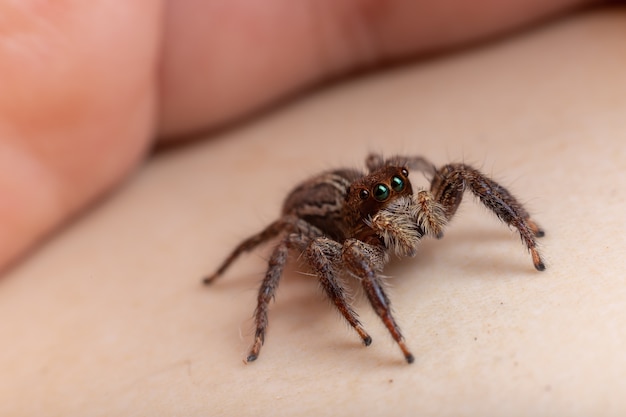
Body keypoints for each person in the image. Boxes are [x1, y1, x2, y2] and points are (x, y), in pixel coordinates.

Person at [0, 0, 597, 271]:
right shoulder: (352, 240)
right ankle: (377, 326)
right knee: (290, 241)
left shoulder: (412, 188)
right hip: (316, 211)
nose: (403, 204)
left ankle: (524, 230)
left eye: (400, 187)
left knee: (461, 171)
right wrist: (366, 323)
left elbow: (423, 167)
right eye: (384, 197)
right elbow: (289, 236)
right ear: (364, 210)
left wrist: (416, 174)